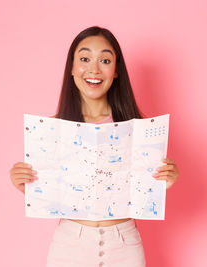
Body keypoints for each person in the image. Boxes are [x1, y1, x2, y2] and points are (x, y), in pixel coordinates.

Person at [9, 26, 179, 267]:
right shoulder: (52, 130)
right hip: (70, 245)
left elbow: (145, 188)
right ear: (72, 67)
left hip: (124, 245)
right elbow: (53, 192)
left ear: (116, 70)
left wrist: (165, 179)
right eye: (85, 58)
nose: (94, 69)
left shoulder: (139, 130)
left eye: (105, 60)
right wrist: (25, 183)